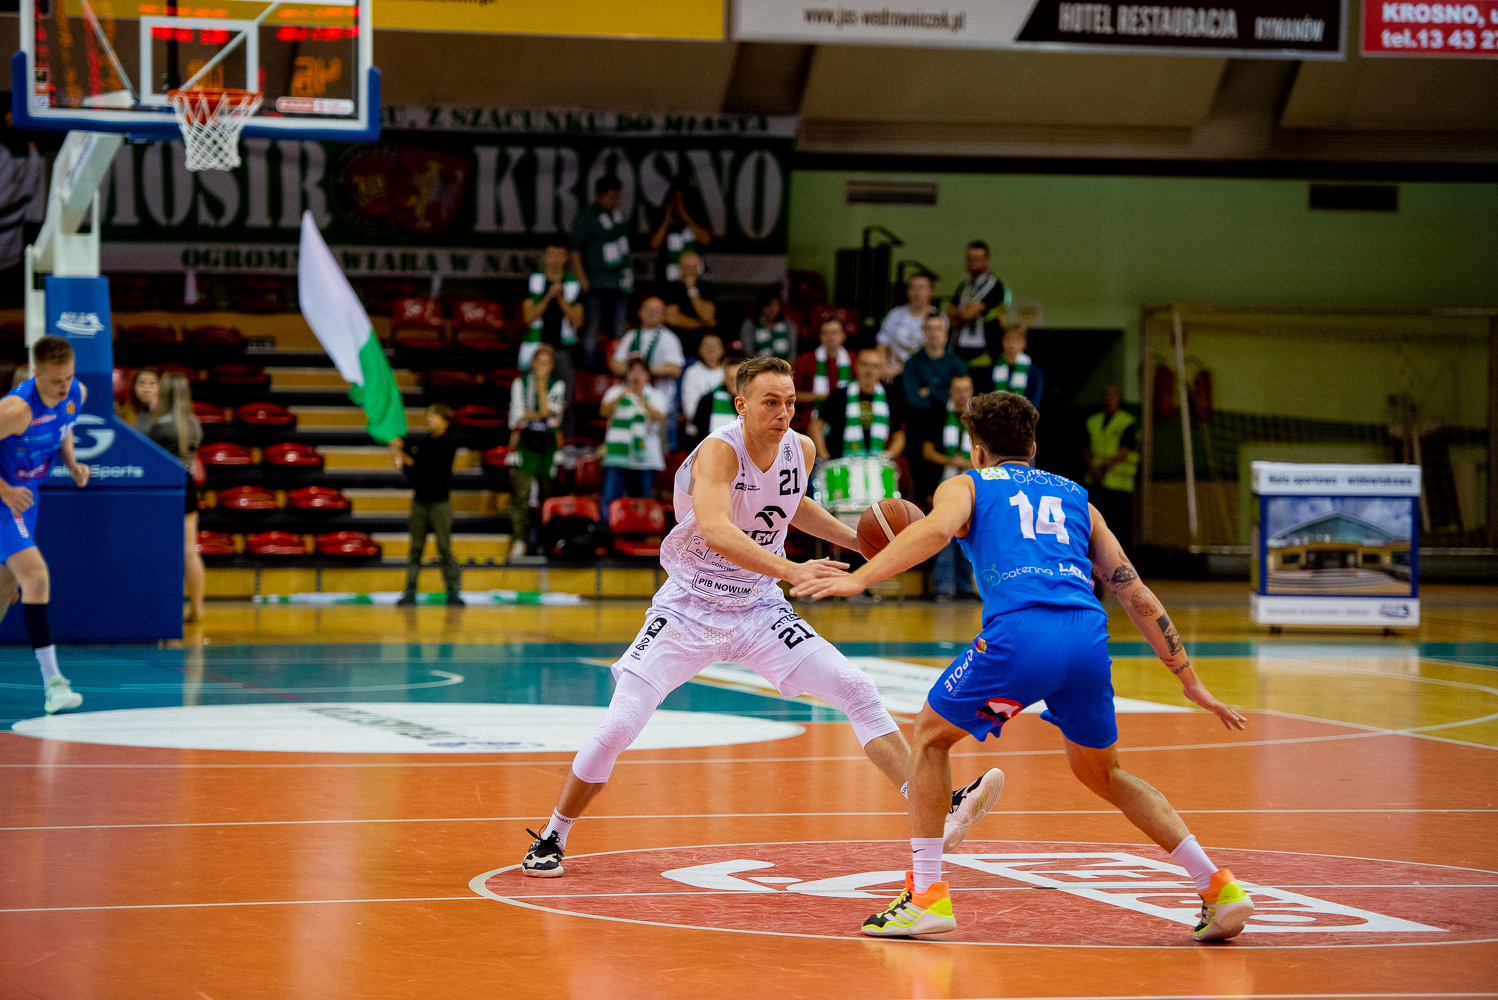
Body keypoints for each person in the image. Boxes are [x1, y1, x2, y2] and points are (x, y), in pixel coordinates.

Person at [793, 391, 1255, 943]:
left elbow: (935, 532)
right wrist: (1189, 679)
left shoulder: (965, 485)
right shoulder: (1078, 498)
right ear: (1033, 447)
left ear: (977, 449)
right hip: (1086, 640)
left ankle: (926, 896)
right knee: (1104, 773)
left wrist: (860, 578)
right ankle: (1218, 887)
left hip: (1022, 636)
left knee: (930, 739)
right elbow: (1134, 592)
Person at [521, 357, 1001, 878]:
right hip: (689, 607)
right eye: (771, 402)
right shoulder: (719, 452)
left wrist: (860, 541)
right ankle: (553, 834)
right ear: (742, 405)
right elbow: (716, 530)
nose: (784, 412)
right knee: (619, 725)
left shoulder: (802, 448)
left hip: (758, 609)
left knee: (855, 687)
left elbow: (793, 505)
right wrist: (792, 569)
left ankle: (938, 805)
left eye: (790, 402)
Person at [0, 336, 89, 715]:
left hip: (26, 499)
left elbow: (64, 427)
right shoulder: (16, 410)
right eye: (55, 380)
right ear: (35, 372)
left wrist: (72, 463)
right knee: (36, 577)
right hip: (5, 498)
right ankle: (54, 685)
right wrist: (5, 490)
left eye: (68, 377)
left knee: (4, 589)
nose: (64, 387)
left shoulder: (76, 392)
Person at [390, 403, 464, 607]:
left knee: (444, 549)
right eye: (428, 416)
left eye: (433, 416)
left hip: (440, 503)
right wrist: (399, 454)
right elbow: (414, 471)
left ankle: (453, 592)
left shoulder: (449, 442)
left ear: (445, 421)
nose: (429, 419)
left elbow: (425, 463)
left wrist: (402, 452)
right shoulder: (425, 441)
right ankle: (410, 592)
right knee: (415, 548)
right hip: (420, 501)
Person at [148, 372, 205, 623]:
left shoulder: (160, 426)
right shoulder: (194, 423)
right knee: (190, 550)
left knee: (165, 550)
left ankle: (166, 608)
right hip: (188, 483)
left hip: (166, 486)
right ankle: (197, 608)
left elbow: (149, 458)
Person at [507, 345, 566, 562]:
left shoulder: (558, 385)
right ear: (532, 364)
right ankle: (519, 540)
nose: (542, 367)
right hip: (525, 445)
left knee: (547, 498)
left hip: (548, 447)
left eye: (546, 363)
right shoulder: (519, 383)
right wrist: (540, 414)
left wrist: (541, 389)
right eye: (539, 362)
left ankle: (544, 541)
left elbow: (552, 416)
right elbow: (516, 418)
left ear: (551, 367)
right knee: (521, 496)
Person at [920, 375, 976, 600]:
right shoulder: (937, 416)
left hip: (972, 487)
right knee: (944, 535)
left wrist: (967, 464)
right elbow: (927, 452)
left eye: (966, 390)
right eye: (957, 390)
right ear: (951, 392)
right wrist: (952, 461)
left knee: (968, 536)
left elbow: (990, 456)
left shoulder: (980, 420)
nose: (962, 395)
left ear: (972, 392)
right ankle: (943, 588)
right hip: (942, 486)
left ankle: (965, 588)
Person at [570, 176, 633, 373]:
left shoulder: (618, 216)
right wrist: (581, 277)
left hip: (619, 281)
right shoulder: (587, 217)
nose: (615, 201)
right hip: (595, 281)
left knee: (619, 328)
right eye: (611, 196)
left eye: (618, 196)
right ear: (599, 195)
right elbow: (575, 249)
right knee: (591, 327)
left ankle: (618, 367)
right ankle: (588, 369)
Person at [611, 297, 686, 450]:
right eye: (648, 310)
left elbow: (675, 369)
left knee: (662, 447)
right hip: (632, 400)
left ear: (664, 316)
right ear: (640, 312)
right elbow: (615, 364)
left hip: (662, 399)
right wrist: (640, 371)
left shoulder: (669, 338)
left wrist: (643, 370)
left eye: (656, 311)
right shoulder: (631, 336)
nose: (651, 313)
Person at [810, 349, 906, 463]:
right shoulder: (838, 395)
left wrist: (886, 457)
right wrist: (823, 456)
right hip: (840, 464)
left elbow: (899, 435)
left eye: (874, 366)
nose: (869, 370)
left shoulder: (887, 400)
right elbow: (815, 426)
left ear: (880, 370)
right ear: (856, 366)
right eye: (865, 364)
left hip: (875, 465)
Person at [599, 359, 668, 511]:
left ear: (647, 375)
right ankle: (606, 526)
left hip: (646, 458)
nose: (636, 375)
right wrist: (622, 395)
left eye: (641, 372)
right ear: (627, 374)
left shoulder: (656, 395)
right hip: (617, 455)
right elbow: (603, 412)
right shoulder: (615, 391)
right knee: (610, 500)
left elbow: (658, 417)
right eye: (633, 371)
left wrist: (642, 399)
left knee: (642, 504)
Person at [945, 241, 1010, 390]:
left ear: (986, 260)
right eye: (969, 258)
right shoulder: (963, 286)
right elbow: (949, 316)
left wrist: (962, 313)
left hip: (984, 357)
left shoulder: (995, 286)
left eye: (977, 259)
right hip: (960, 352)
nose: (972, 263)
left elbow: (967, 315)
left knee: (982, 399)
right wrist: (963, 313)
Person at [1084, 383, 1139, 552]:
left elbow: (1124, 452)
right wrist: (1093, 470)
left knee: (1118, 528)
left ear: (1119, 397)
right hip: (1096, 482)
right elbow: (1085, 448)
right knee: (1095, 526)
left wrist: (1102, 468)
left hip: (1119, 486)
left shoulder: (1127, 422)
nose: (1109, 398)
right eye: (1106, 395)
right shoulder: (1092, 421)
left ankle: (1119, 561)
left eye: (1113, 395)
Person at [521, 244, 583, 375]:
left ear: (565, 258)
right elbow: (528, 317)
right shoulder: (534, 281)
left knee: (565, 386)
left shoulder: (572, 283)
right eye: (551, 256)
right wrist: (548, 296)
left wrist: (560, 298)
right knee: (532, 385)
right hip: (537, 346)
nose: (555, 260)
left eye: (559, 256)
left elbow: (578, 321)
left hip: (563, 347)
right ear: (545, 257)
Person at [901, 314, 967, 417]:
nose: (934, 333)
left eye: (938, 329)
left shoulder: (957, 363)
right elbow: (912, 398)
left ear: (945, 332)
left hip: (950, 418)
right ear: (924, 332)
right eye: (930, 329)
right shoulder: (912, 363)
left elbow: (961, 395)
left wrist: (930, 391)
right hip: (919, 419)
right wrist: (944, 395)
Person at [876, 274, 937, 379]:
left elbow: (936, 351)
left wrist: (901, 369)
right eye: (913, 288)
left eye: (921, 288)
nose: (917, 292)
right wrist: (884, 368)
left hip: (922, 374)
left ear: (930, 292)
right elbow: (881, 344)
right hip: (891, 372)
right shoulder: (895, 314)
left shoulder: (937, 317)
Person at [649, 186, 712, 284]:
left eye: (681, 199)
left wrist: (687, 218)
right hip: (668, 275)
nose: (678, 202)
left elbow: (706, 240)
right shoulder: (662, 217)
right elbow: (654, 244)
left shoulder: (698, 217)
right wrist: (667, 219)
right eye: (675, 198)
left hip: (693, 274)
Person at [684, 351, 745, 451]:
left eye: (739, 379)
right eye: (731, 379)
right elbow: (699, 438)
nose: (735, 384)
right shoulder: (707, 401)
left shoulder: (757, 401)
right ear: (725, 377)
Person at [794, 315, 853, 410]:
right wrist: (820, 397)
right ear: (820, 336)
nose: (830, 337)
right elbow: (792, 395)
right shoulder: (806, 360)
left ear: (843, 335)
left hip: (846, 414)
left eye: (834, 332)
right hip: (812, 414)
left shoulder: (853, 361)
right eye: (826, 333)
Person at [679, 333, 726, 433]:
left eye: (714, 345)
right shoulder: (692, 372)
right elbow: (689, 407)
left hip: (724, 427)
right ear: (699, 349)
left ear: (722, 349)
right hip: (698, 429)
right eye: (706, 345)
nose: (710, 348)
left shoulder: (727, 373)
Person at [662, 251, 717, 334]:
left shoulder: (706, 287)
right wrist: (701, 324)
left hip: (703, 336)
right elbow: (672, 318)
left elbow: (707, 315)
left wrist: (692, 289)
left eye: (693, 267)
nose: (690, 271)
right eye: (687, 267)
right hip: (675, 334)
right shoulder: (670, 288)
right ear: (679, 267)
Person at [992, 325, 1043, 409]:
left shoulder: (1034, 372)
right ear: (1002, 341)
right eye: (1009, 340)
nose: (1012, 345)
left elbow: (1035, 400)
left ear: (1024, 343)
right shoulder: (992, 370)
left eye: (1017, 340)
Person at [740, 287, 796, 362]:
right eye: (768, 306)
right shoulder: (750, 325)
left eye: (775, 306)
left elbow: (792, 354)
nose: (772, 310)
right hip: (758, 366)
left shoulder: (788, 325)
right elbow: (747, 354)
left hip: (784, 366)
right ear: (761, 307)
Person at [117, 366, 158, 433]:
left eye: (152, 383)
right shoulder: (124, 412)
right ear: (133, 385)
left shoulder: (164, 412)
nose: (146, 389)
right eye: (142, 383)